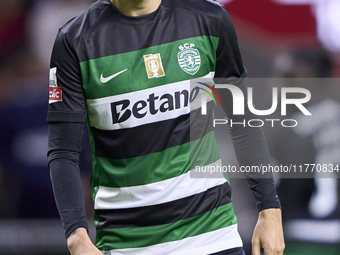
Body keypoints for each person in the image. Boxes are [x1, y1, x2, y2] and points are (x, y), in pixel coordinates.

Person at [47, 0, 285, 254]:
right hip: (128, 245)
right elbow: (63, 152)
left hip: (214, 237)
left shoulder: (209, 18)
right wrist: (77, 237)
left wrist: (270, 211)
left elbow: (242, 121)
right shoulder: (74, 40)